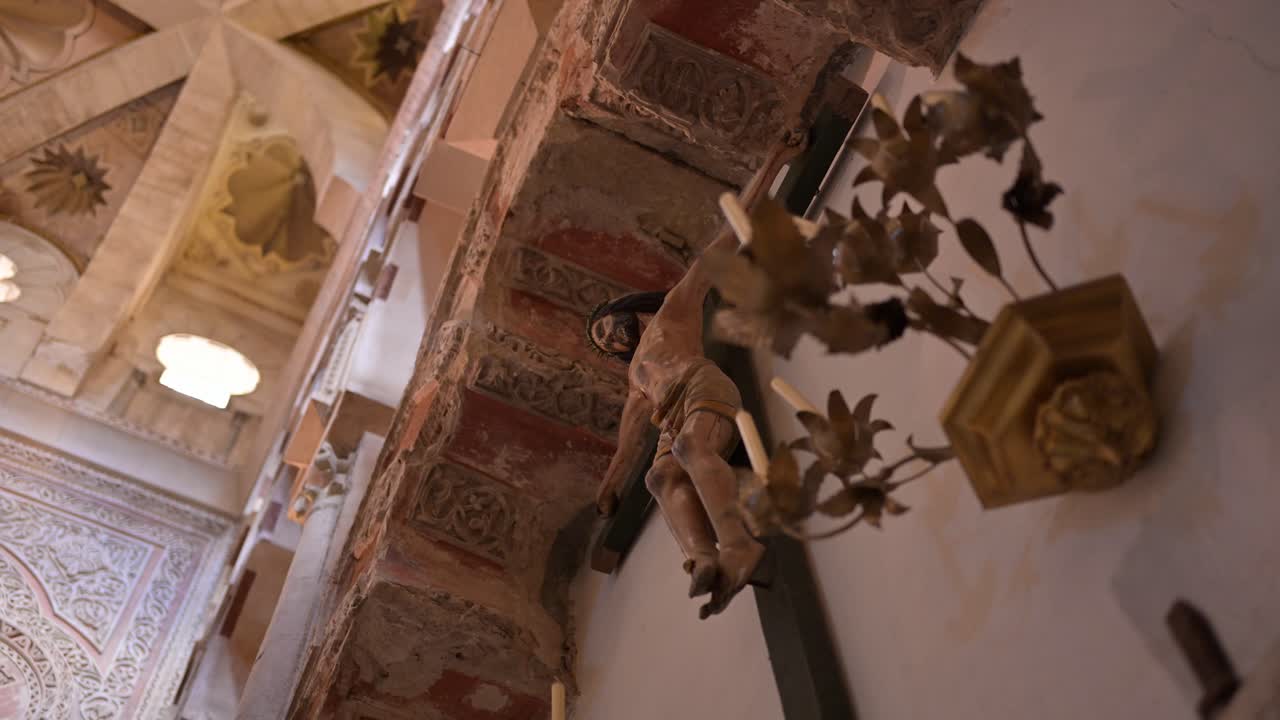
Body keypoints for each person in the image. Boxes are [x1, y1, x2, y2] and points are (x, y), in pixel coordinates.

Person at [587, 221, 760, 618]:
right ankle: (703, 559)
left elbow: (709, 260)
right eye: (605, 343)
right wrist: (608, 488)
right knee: (659, 477)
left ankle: (739, 545)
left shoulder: (672, 313)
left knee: (690, 447)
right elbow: (628, 441)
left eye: (606, 328)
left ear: (624, 310)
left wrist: (761, 184)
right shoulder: (636, 377)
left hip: (698, 384)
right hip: (670, 417)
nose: (610, 339)